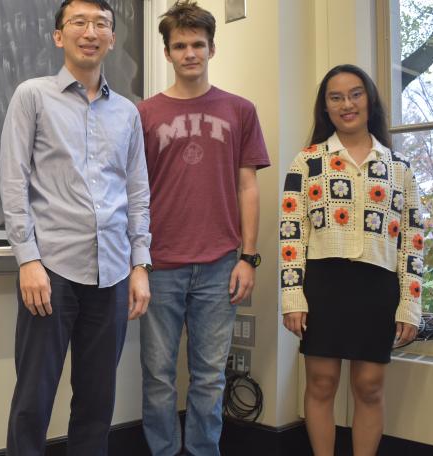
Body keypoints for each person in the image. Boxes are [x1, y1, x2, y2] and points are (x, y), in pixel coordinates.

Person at [0, 0, 152, 454]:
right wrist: (27, 260)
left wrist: (139, 263)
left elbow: (138, 193)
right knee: (34, 397)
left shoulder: (127, 113)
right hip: (52, 271)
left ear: (112, 37)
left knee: (97, 400)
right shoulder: (33, 95)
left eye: (101, 24)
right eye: (79, 22)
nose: (91, 31)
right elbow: (13, 183)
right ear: (58, 35)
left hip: (113, 273)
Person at [136, 2, 270, 454]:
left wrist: (248, 257)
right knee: (156, 377)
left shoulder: (240, 110)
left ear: (212, 47)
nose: (189, 53)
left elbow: (247, 186)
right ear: (168, 53)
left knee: (209, 379)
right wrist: (138, 261)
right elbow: (134, 194)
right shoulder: (144, 114)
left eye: (197, 44)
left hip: (219, 265)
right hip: (160, 265)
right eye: (180, 46)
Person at [280, 64, 424, 456]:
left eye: (355, 94)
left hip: (377, 287)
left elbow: (412, 239)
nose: (347, 104)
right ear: (325, 108)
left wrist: (410, 305)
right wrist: (293, 296)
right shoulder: (307, 162)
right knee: (322, 383)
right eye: (336, 97)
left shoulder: (399, 168)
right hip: (323, 283)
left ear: (370, 99)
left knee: (370, 387)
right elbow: (292, 232)